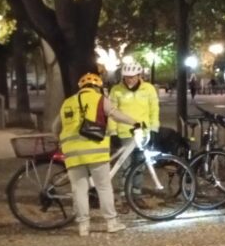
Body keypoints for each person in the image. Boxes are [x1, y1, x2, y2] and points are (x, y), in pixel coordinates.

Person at [54, 72, 139, 236]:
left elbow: (55, 127)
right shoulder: (99, 99)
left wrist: (61, 140)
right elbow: (115, 114)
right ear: (97, 87)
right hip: (96, 152)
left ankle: (83, 227)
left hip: (72, 153)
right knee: (103, 187)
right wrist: (135, 122)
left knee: (79, 189)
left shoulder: (67, 102)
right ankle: (111, 223)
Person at [109, 61, 160, 149]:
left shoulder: (148, 89)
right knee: (126, 158)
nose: (129, 80)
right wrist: (113, 132)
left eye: (132, 77)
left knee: (144, 157)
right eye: (126, 77)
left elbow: (154, 110)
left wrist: (154, 129)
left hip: (144, 132)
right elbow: (111, 112)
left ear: (139, 76)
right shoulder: (116, 90)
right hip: (124, 134)